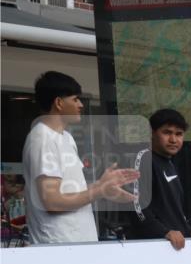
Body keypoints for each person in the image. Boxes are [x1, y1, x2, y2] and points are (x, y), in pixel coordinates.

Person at [21, 71, 139, 245]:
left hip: (78, 243)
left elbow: (68, 192)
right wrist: (99, 190)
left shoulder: (66, 138)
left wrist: (101, 186)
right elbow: (52, 202)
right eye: (75, 99)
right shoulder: (42, 139)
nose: (81, 105)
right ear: (59, 103)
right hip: (58, 246)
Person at [132, 109, 191, 250]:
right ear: (152, 133)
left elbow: (172, 210)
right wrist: (164, 232)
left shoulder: (169, 162)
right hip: (152, 248)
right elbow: (136, 206)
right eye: (167, 132)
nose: (173, 140)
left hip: (174, 247)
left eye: (179, 134)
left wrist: (189, 230)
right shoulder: (143, 159)